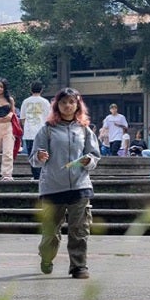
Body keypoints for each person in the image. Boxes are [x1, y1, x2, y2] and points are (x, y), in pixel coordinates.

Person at [29, 88, 100, 279]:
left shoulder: (84, 129)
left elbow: (94, 155)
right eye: (63, 102)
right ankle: (46, 257)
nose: (67, 106)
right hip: (52, 186)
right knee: (50, 232)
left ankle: (79, 266)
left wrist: (89, 161)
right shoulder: (47, 130)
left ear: (77, 105)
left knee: (79, 229)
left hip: (80, 186)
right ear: (57, 106)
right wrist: (40, 156)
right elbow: (33, 158)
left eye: (71, 102)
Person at [19, 82, 52, 179]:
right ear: (41, 90)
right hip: (41, 132)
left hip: (29, 132)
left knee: (31, 155)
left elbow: (22, 118)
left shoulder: (25, 101)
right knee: (42, 154)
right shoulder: (45, 102)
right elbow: (49, 118)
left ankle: (35, 175)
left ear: (31, 89)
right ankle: (42, 175)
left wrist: (26, 126)